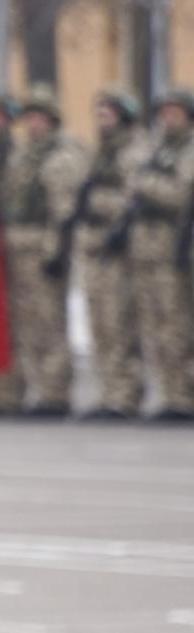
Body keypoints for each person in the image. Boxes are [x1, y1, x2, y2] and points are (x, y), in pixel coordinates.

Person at [0, 84, 88, 420]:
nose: (32, 124)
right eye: (28, 118)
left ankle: (54, 393)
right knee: (17, 324)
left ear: (52, 120)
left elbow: (63, 211)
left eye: (39, 118)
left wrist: (54, 251)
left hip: (41, 248)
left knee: (47, 324)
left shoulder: (62, 156)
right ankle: (14, 392)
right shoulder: (20, 156)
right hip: (14, 246)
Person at [72, 88, 147, 422]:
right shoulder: (98, 153)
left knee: (119, 324)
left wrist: (99, 203)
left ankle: (125, 396)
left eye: (108, 113)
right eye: (98, 113)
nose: (101, 120)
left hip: (121, 249)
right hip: (93, 246)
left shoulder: (135, 152)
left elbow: (134, 200)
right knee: (99, 324)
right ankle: (108, 393)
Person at [124, 89, 194, 422]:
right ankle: (169, 395)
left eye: (175, 111)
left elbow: (180, 195)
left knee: (176, 325)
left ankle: (183, 396)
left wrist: (144, 183)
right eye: (164, 111)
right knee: (153, 326)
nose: (168, 117)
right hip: (147, 248)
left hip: (174, 249)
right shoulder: (156, 149)